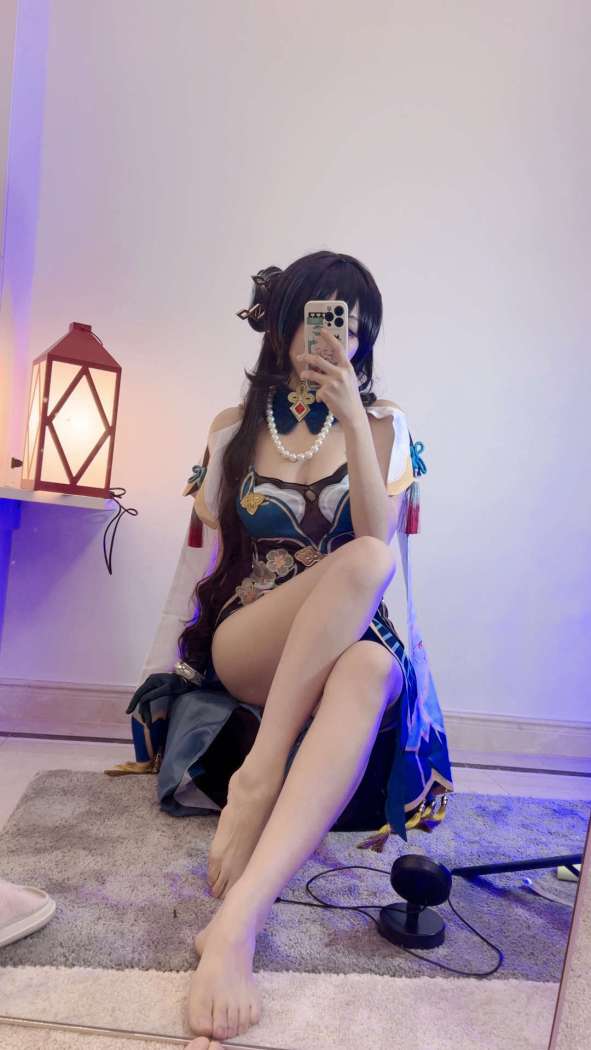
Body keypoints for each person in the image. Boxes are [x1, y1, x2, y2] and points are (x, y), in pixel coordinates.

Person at [116, 250, 454, 1046]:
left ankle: (237, 923)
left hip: (346, 644)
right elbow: (200, 562)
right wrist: (163, 669)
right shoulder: (233, 427)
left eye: (352, 322)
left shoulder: (384, 424)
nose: (335, 333)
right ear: (282, 322)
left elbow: (379, 545)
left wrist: (352, 421)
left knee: (369, 633)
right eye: (319, 313)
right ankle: (260, 772)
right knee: (360, 565)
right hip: (252, 637)